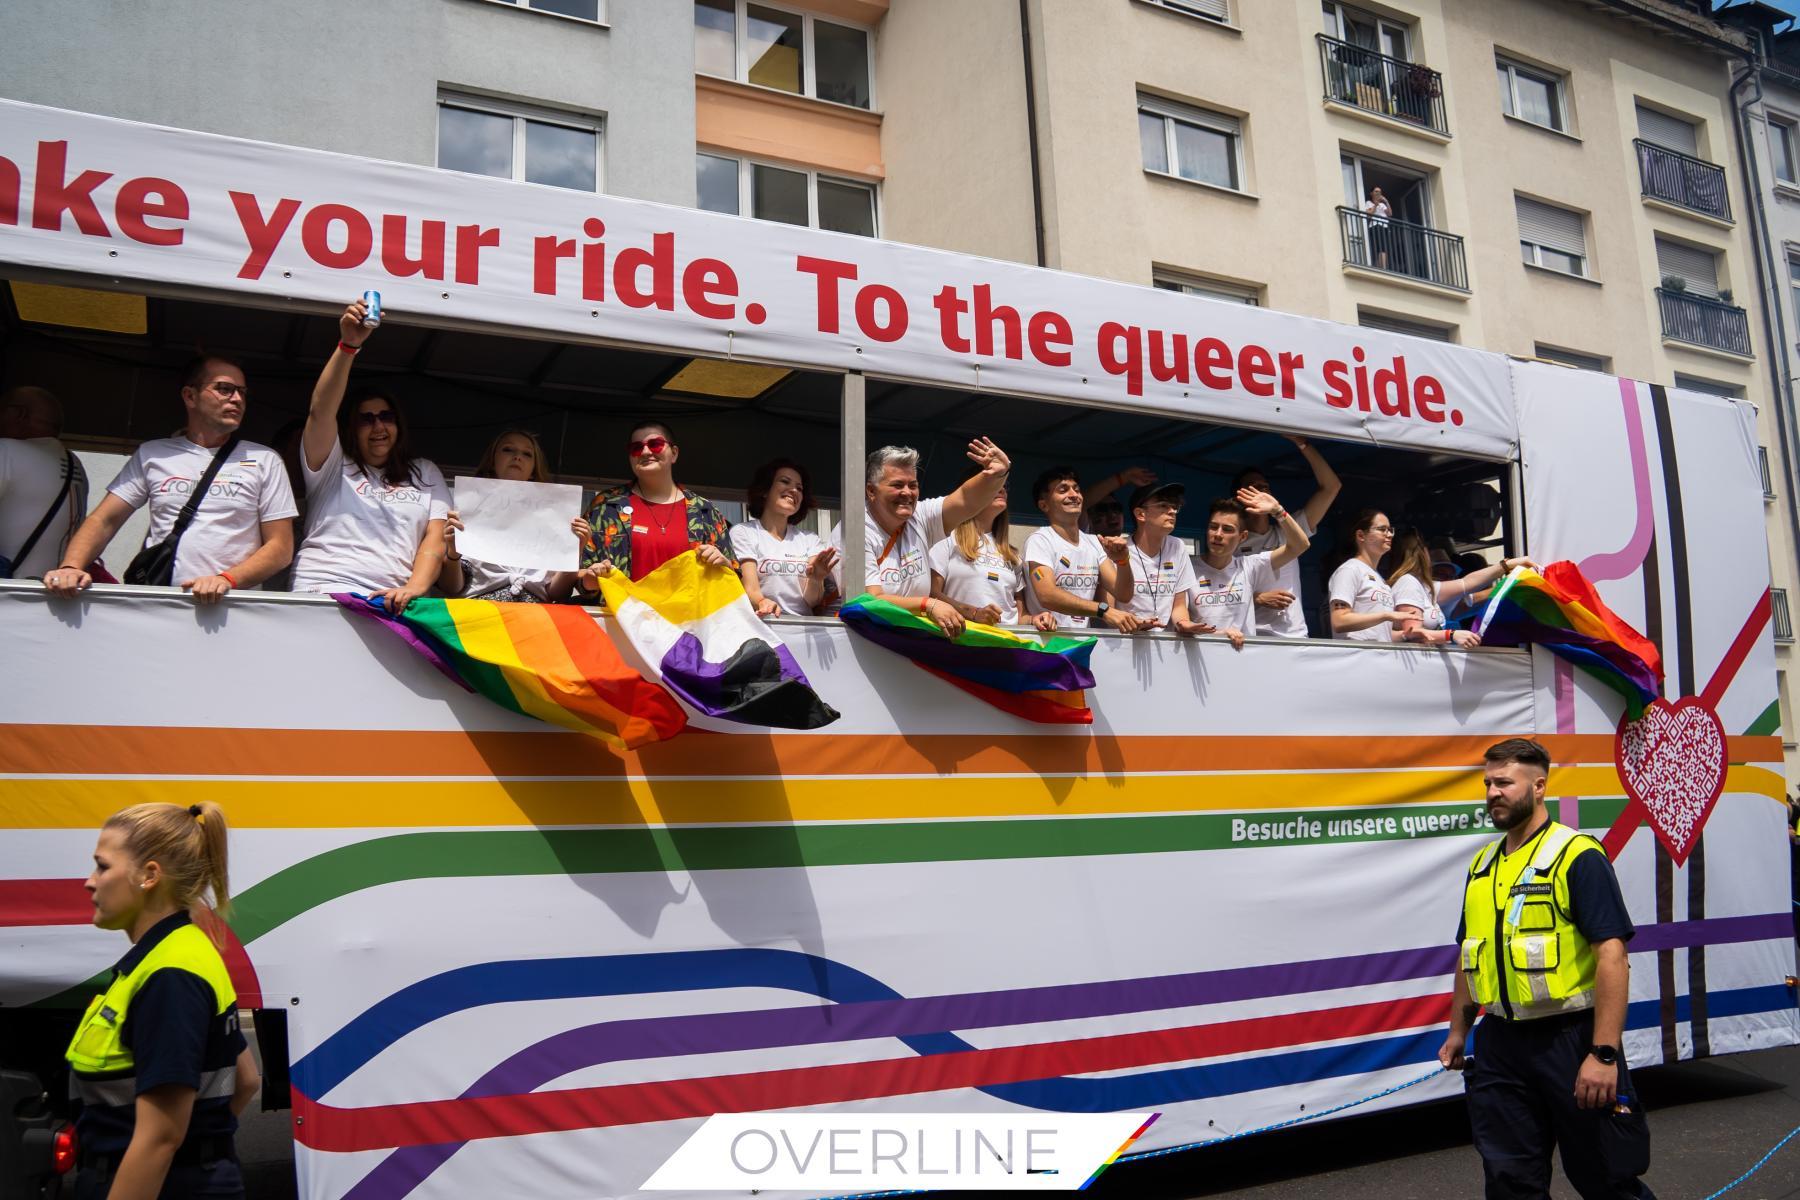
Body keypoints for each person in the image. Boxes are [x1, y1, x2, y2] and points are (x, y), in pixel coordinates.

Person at [1440, 738, 1654, 1200]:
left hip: (1570, 1039)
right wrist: (1458, 1030)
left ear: (1539, 787)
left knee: (1605, 1178)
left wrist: (1603, 1054)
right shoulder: (1482, 865)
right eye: (1487, 783)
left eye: (1504, 782)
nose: (1493, 792)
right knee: (1509, 1180)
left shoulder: (1577, 855)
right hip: (1500, 1043)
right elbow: (1469, 953)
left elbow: (1612, 956)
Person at [66, 801, 260, 1200]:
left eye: (102, 866)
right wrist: (205, 1147)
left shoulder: (168, 976)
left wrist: (188, 1156)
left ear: (149, 875)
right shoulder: (184, 950)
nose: (90, 881)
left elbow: (159, 1140)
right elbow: (247, 1079)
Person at [46, 356, 296, 605]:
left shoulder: (264, 459)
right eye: (225, 389)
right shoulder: (152, 454)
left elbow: (280, 547)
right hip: (162, 605)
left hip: (232, 608)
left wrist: (226, 580)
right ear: (190, 396)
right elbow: (104, 519)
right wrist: (71, 566)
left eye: (242, 392)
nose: (237, 399)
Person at [291, 297, 450, 612]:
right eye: (366, 418)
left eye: (386, 416)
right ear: (351, 428)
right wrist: (348, 346)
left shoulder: (424, 471)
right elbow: (321, 413)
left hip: (394, 601)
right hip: (324, 589)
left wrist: (416, 587)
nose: (378, 425)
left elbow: (436, 538)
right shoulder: (332, 463)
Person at [828, 439, 1013, 638]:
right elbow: (870, 601)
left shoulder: (920, 516)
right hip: (856, 642)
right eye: (897, 485)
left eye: (913, 485)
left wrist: (997, 474)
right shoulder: (854, 530)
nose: (907, 493)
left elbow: (965, 500)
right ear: (871, 491)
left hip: (905, 640)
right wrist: (928, 604)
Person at [576, 420, 734, 593]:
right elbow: (577, 575)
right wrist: (590, 579)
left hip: (688, 617)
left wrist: (724, 565)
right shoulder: (605, 506)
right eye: (636, 447)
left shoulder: (706, 511)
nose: (645, 451)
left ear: (674, 453)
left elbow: (735, 582)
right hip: (620, 616)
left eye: (655, 444)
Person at [438, 430, 582, 604]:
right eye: (508, 450)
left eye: (527, 454)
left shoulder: (554, 518)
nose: (517, 457)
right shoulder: (468, 509)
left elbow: (557, 594)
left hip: (534, 617)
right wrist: (453, 552)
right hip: (479, 612)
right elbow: (451, 588)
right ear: (492, 461)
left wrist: (576, 550)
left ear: (533, 470)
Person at [1234, 435, 1341, 637]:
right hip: (1251, 637)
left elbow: (1331, 487)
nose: (1262, 491)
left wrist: (1302, 443)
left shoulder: (1289, 528)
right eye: (1254, 487)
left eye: (1265, 487)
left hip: (1294, 637)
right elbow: (1216, 589)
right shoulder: (1231, 540)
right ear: (1239, 497)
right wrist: (1256, 597)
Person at [1022, 465, 1143, 633]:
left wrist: (1123, 561)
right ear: (1044, 505)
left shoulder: (1093, 542)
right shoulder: (1040, 540)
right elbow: (1047, 595)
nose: (1073, 495)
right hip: (1047, 643)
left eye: (1076, 490)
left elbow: (1123, 594)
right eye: (1063, 490)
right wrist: (1103, 610)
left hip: (1080, 642)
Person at [1188, 491, 1313, 650]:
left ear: (1243, 537)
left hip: (1243, 659)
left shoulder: (1249, 566)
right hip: (1199, 657)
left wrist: (1278, 511)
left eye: (1227, 529)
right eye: (1213, 527)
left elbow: (1300, 545)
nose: (1218, 534)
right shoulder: (1187, 566)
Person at [928, 486, 1056, 630]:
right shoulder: (947, 538)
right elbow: (932, 593)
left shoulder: (1012, 554)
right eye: (994, 484)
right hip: (962, 640)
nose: (1002, 490)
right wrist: (974, 613)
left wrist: (1035, 619)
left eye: (1005, 487)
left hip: (1005, 643)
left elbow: (1020, 616)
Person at [1388, 529, 1536, 647]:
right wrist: (1451, 635)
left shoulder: (1425, 587)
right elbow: (1413, 636)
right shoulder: (1407, 583)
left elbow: (1467, 583)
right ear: (1421, 553)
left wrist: (1507, 566)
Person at [0, 385, 89, 580]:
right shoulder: (75, 463)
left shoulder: (5, 451)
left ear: (19, 413)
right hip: (54, 593)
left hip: (8, 594)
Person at [730, 458, 836, 617]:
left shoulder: (810, 540)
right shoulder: (744, 532)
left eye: (799, 488)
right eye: (785, 482)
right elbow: (751, 589)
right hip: (763, 627)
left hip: (804, 631)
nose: (794, 490)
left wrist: (816, 579)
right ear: (765, 490)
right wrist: (762, 602)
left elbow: (812, 601)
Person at [1119, 482, 1203, 634]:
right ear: (1140, 514)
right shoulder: (1119, 549)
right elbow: (1109, 608)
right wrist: (1132, 624)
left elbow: (1179, 605)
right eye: (1163, 505)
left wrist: (1183, 623)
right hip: (1125, 642)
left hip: (1165, 644)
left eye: (1174, 506)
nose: (1172, 511)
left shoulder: (1177, 546)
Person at [1327, 509, 1410, 641]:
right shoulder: (1349, 570)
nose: (1389, 535)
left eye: (1390, 530)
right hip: (1356, 658)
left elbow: (1377, 634)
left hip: (1379, 658)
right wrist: (1386, 616)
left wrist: (1406, 635)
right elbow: (1339, 621)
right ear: (1361, 535)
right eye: (1382, 529)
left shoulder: (1379, 579)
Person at [1083, 465, 1156, 535]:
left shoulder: (1132, 545)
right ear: (1089, 518)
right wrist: (1125, 477)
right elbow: (1082, 503)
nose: (1112, 515)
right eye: (1102, 509)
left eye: (1116, 508)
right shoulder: (1083, 539)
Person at [1365, 185, 1392, 270]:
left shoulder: (1382, 204)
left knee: (1384, 249)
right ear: (1371, 193)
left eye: (1379, 192)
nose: (1378, 193)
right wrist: (1375, 205)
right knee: (1380, 248)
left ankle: (1382, 268)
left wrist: (1386, 202)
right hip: (1375, 226)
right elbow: (1369, 214)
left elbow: (1389, 214)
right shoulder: (1368, 203)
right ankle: (1382, 268)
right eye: (1376, 191)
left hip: (1384, 226)